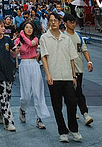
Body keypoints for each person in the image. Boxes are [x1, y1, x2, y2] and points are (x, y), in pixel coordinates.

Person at [41, 11, 80, 143]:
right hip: (54, 76)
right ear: (48, 23)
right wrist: (48, 74)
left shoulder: (66, 39)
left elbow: (72, 59)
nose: (53, 23)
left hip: (68, 76)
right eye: (50, 21)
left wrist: (74, 75)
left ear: (59, 22)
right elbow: (44, 57)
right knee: (57, 106)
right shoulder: (44, 38)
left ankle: (74, 130)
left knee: (72, 104)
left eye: (55, 20)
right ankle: (62, 131)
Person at [14, 20, 48, 129]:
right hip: (24, 65)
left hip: (34, 64)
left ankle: (39, 118)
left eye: (31, 28)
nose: (29, 29)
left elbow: (30, 44)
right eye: (27, 27)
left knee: (38, 93)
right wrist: (15, 49)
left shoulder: (35, 39)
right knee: (26, 94)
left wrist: (22, 35)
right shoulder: (18, 40)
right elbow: (14, 52)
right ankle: (22, 109)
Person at [64, 15, 94, 126]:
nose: (73, 24)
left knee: (78, 91)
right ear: (65, 23)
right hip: (67, 70)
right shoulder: (63, 37)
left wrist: (89, 62)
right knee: (71, 93)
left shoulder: (79, 36)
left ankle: (82, 112)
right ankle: (79, 111)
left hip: (79, 68)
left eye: (74, 22)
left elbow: (84, 50)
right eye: (70, 22)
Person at [0, 18, 17, 132]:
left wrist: (16, 49)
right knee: (3, 95)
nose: (3, 28)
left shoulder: (7, 39)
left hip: (9, 69)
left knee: (8, 95)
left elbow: (13, 48)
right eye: (1, 26)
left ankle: (0, 111)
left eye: (4, 26)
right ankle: (9, 121)